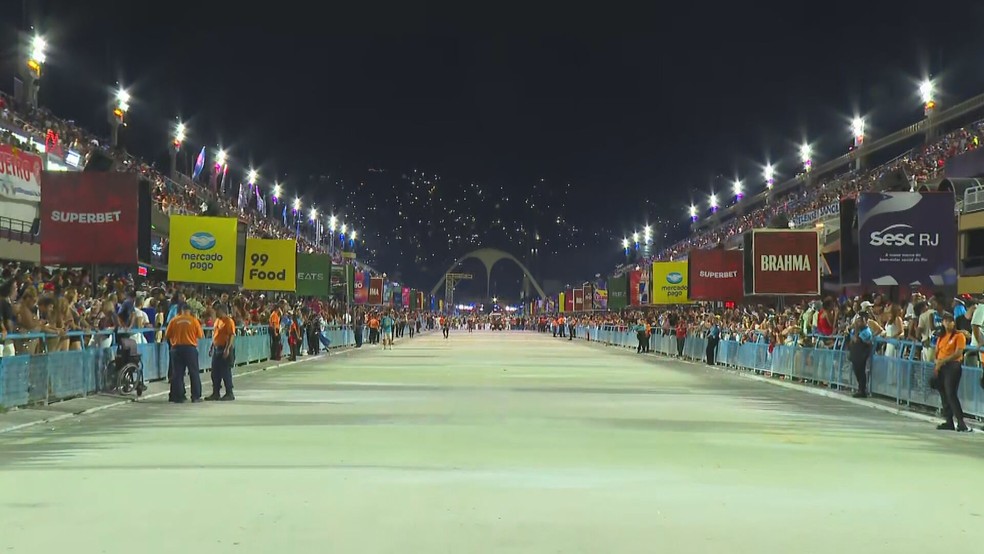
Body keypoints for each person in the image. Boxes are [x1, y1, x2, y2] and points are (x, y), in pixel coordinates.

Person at [933, 312, 970, 432]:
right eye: (946, 321)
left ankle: (961, 422)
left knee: (951, 393)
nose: (948, 323)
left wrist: (943, 361)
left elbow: (958, 353)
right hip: (941, 367)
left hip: (953, 366)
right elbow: (937, 351)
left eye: (950, 321)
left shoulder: (959, 336)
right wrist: (937, 363)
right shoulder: (941, 337)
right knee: (943, 393)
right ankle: (949, 420)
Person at [165, 303, 204, 403]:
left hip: (176, 349)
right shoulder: (194, 321)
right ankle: (195, 396)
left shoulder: (174, 320)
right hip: (190, 349)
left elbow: (167, 335)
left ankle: (178, 396)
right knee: (194, 373)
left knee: (177, 373)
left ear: (181, 311)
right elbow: (200, 335)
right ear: (190, 311)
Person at [206, 303, 236, 401]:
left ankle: (229, 393)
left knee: (225, 372)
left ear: (222, 311)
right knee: (215, 372)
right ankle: (216, 393)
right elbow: (215, 334)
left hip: (225, 348)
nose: (215, 313)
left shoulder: (229, 321)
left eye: (217, 311)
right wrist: (212, 347)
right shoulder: (217, 321)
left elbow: (231, 335)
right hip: (217, 348)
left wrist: (227, 349)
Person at [848, 315, 873, 398]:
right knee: (857, 372)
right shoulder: (858, 331)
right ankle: (860, 388)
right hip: (855, 354)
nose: (857, 324)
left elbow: (856, 340)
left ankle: (862, 390)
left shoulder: (866, 331)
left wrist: (856, 331)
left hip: (862, 355)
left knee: (861, 372)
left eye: (859, 322)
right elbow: (851, 339)